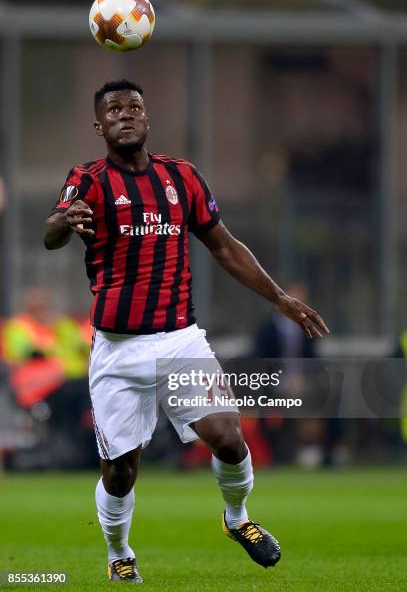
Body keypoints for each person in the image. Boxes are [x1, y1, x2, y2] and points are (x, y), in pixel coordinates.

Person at [43, 79, 329, 583]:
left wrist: (279, 297)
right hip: (117, 350)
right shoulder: (87, 180)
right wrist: (66, 220)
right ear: (99, 125)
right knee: (120, 472)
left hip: (179, 340)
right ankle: (118, 551)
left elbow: (224, 245)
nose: (125, 115)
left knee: (228, 438)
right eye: (113, 110)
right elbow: (51, 231)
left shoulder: (183, 178)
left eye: (134, 107)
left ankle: (238, 519)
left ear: (147, 119)